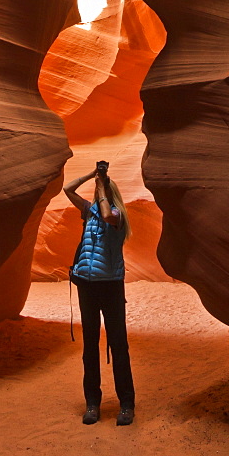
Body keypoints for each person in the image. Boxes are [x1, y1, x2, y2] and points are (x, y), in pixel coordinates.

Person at [64, 163, 135, 426]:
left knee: (119, 345)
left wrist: (102, 184)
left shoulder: (116, 216)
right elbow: (67, 189)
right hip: (88, 286)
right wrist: (91, 176)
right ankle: (92, 403)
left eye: (101, 191)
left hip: (111, 286)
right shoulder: (89, 211)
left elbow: (106, 214)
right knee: (90, 347)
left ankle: (126, 404)